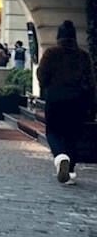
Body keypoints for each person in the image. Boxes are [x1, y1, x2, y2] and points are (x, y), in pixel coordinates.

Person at [36, 20, 96, 185]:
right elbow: (91, 82)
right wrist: (92, 106)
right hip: (79, 100)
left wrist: (47, 87)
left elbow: (42, 75)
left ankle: (60, 157)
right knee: (74, 135)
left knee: (53, 132)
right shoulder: (83, 56)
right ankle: (69, 170)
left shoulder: (51, 53)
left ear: (59, 37)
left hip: (56, 97)